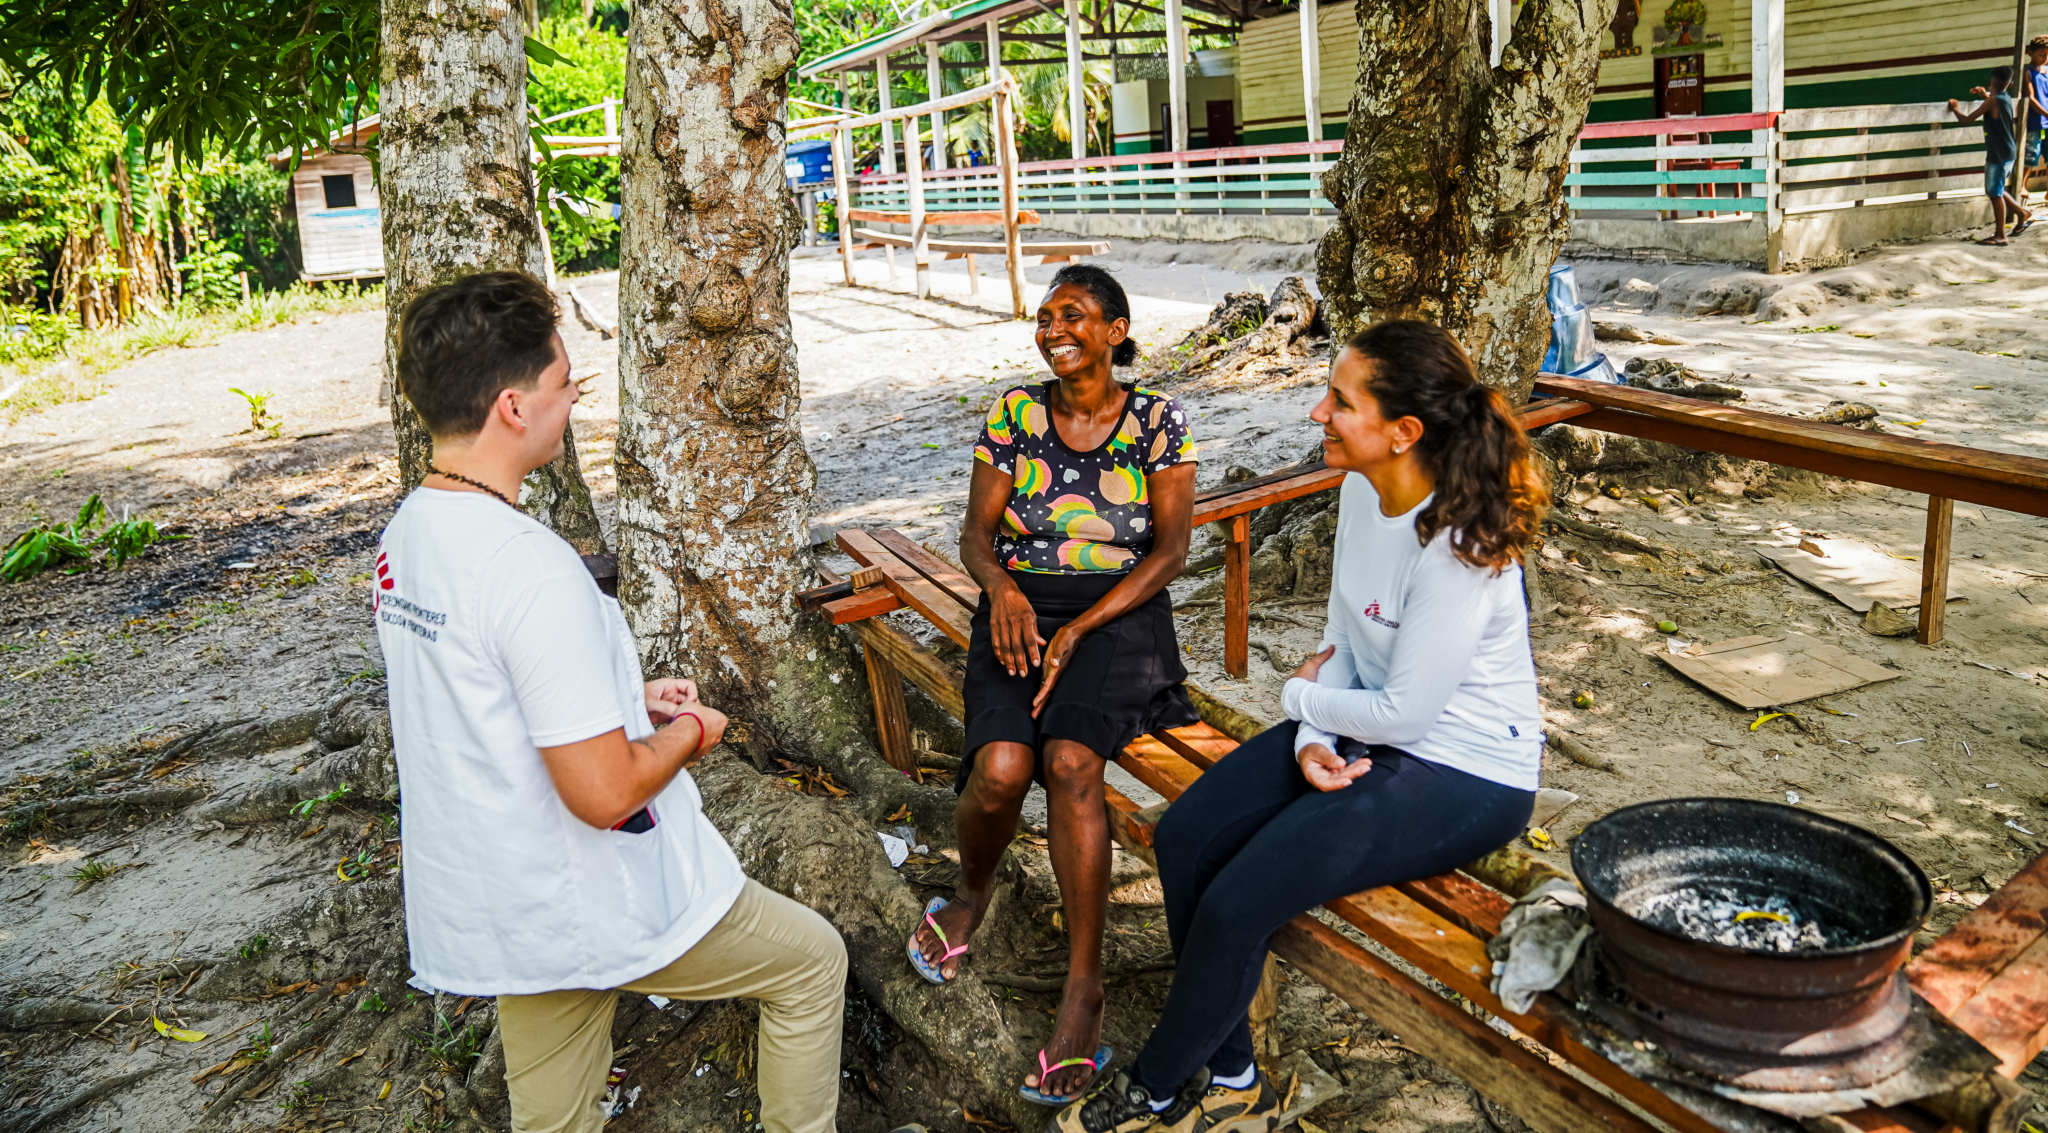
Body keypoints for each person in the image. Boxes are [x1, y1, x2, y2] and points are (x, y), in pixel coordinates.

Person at [377, 272, 848, 1133]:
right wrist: (690, 734)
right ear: (514, 407)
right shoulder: (528, 562)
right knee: (812, 963)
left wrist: (617, 697)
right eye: (566, 384)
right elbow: (601, 793)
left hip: (504, 901)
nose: (573, 400)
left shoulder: (411, 531)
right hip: (586, 892)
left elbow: (478, 692)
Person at [1053, 320, 1545, 1133]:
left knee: (1238, 899)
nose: (1318, 411)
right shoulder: (1361, 489)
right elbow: (1346, 644)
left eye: (1340, 401)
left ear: (1403, 432)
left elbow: (1405, 713)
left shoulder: (1459, 546)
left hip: (1466, 771)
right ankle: (1236, 1070)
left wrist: (1301, 706)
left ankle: (1156, 1087)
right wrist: (1315, 739)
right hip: (1367, 729)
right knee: (1185, 839)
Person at [908, 264, 1199, 1106]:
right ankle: (970, 892)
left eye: (1073, 314)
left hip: (1120, 615)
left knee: (1071, 760)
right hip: (1018, 605)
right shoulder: (1015, 413)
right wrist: (1002, 589)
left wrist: (1079, 626)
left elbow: (1170, 552)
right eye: (1044, 316)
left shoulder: (1157, 420)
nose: (1052, 327)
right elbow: (974, 534)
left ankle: (1084, 986)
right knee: (1001, 767)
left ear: (1115, 330)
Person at [1948, 67, 2024, 245]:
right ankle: (2021, 213)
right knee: (1996, 188)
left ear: (1990, 82)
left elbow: (1966, 120)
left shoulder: (1993, 101)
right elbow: (1993, 106)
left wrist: (1954, 108)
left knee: (1994, 193)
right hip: (2008, 152)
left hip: (1998, 154)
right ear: (2010, 84)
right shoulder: (2004, 98)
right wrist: (1984, 95)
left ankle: (2000, 235)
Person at [2020, 36, 2048, 211]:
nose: (2044, 58)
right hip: (2035, 120)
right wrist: (2046, 113)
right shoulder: (2028, 72)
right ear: (2030, 52)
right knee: (2031, 153)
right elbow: (2030, 98)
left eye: (2047, 55)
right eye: (2041, 55)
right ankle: (2022, 185)